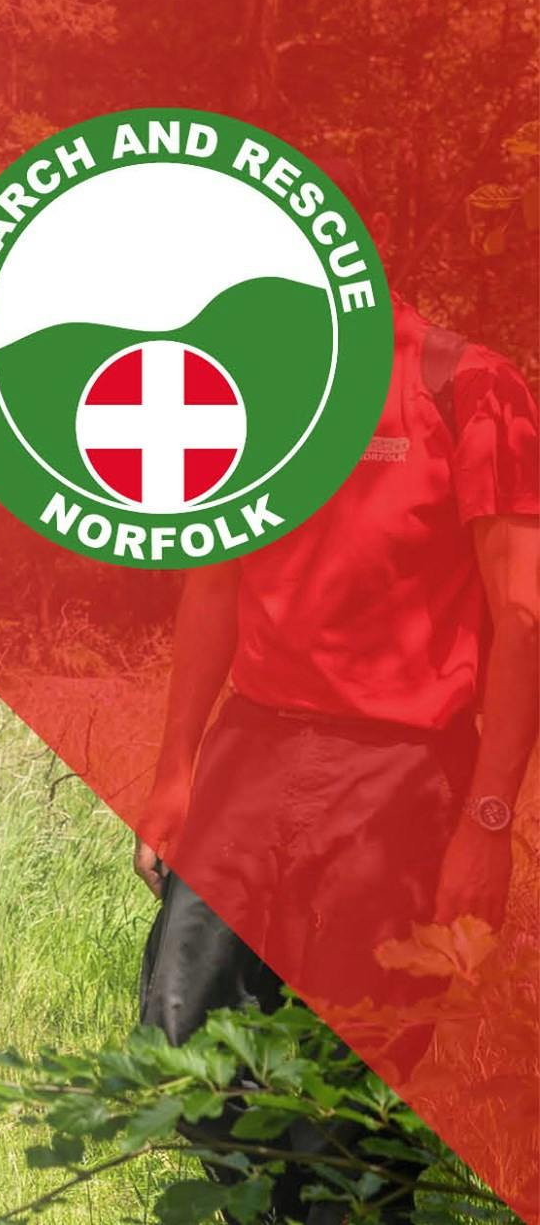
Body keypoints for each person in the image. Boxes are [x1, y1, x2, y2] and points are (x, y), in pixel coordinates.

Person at [134, 305, 538, 1219]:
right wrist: (174, 773)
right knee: (182, 1033)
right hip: (255, 755)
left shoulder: (469, 389)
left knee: (356, 1094)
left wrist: (487, 822)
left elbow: (522, 621)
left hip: (400, 781)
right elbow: (215, 583)